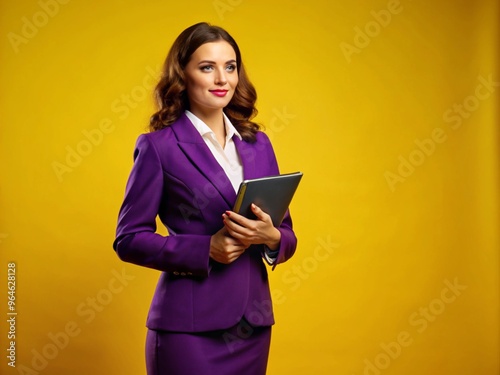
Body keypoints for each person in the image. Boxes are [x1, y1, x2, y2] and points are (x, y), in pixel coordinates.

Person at [113, 22, 297, 375]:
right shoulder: (158, 147)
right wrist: (204, 249)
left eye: (230, 67)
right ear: (183, 74)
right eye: (207, 67)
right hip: (187, 329)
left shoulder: (258, 144)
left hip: (252, 325)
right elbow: (128, 239)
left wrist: (271, 238)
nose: (222, 79)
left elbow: (285, 233)